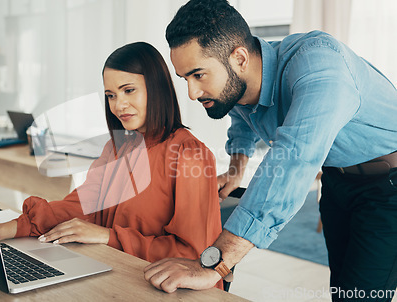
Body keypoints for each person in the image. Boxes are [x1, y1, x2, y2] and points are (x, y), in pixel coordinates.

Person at [143, 0, 397, 301]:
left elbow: (292, 160)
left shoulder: (320, 69)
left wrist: (215, 264)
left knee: (361, 295)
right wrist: (236, 169)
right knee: (342, 286)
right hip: (337, 181)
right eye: (185, 78)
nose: (192, 92)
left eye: (199, 75)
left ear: (239, 58)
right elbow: (240, 114)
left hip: (388, 187)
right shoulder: (244, 80)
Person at [0, 41, 224, 289]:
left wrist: (107, 236)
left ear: (156, 88)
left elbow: (191, 254)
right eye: (111, 95)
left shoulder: (190, 154)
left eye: (128, 91)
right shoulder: (117, 148)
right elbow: (80, 206)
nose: (118, 105)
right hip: (119, 277)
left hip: (169, 290)